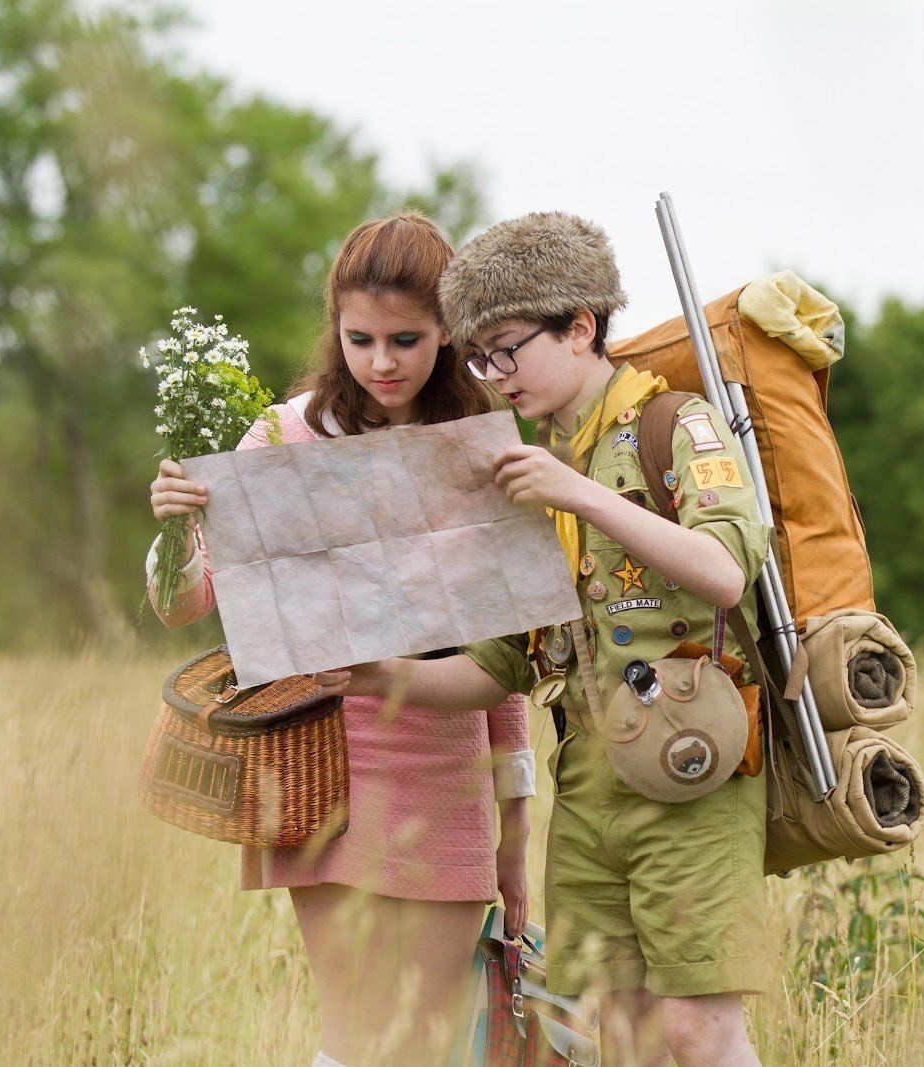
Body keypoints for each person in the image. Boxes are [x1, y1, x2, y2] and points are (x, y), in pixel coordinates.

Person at [314, 212, 773, 1067]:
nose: (491, 374)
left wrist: (581, 495)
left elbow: (725, 570)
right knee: (619, 1036)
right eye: (478, 354)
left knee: (695, 1031)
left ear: (580, 326)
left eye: (507, 349)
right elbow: (499, 669)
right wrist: (376, 676)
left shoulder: (675, 423)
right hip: (591, 785)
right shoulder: (527, 464)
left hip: (693, 765)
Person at [145, 211, 534, 1067]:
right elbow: (187, 602)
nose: (382, 362)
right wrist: (173, 529)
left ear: (448, 333)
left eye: (407, 337)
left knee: (427, 1039)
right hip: (316, 761)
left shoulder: (482, 455)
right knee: (357, 1034)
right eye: (360, 339)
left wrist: (516, 831)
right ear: (335, 328)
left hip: (443, 763)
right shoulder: (284, 435)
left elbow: (507, 668)